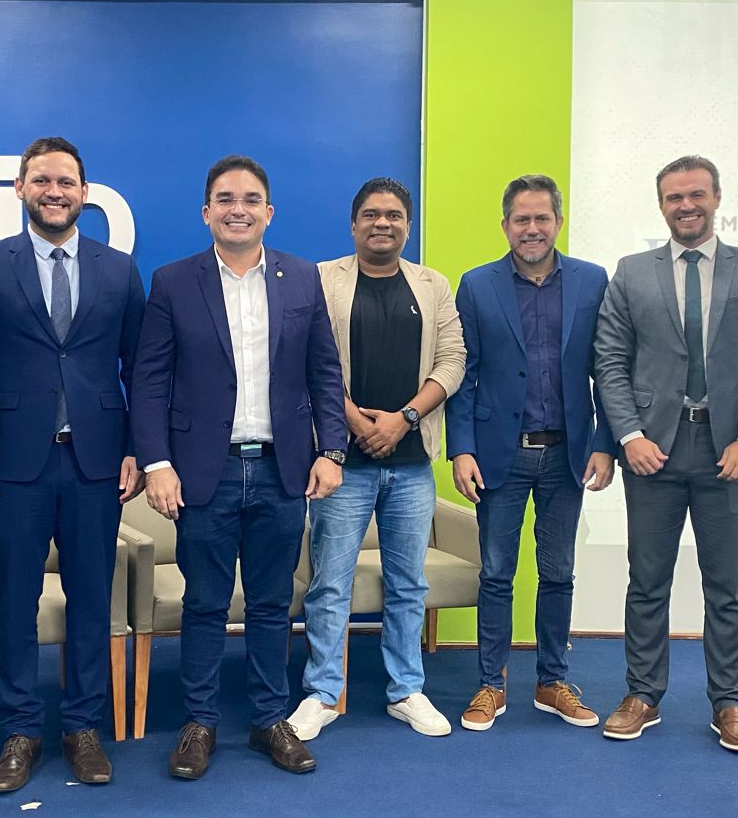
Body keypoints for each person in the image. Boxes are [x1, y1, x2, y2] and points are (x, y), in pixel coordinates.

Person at [131, 155, 346, 779]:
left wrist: (331, 450)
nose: (238, 209)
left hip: (282, 470)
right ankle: (199, 722)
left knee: (273, 603)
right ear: (207, 212)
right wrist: (157, 463)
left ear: (268, 212)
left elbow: (325, 373)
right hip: (206, 472)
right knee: (204, 601)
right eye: (225, 199)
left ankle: (269, 719)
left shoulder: (301, 278)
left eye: (251, 199)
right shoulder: (174, 281)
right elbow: (149, 381)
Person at [0, 136, 146, 791]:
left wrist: (136, 449)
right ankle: (20, 730)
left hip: (98, 462)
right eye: (42, 180)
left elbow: (140, 370)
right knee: (15, 600)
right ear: (20, 189)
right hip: (13, 465)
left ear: (84, 193)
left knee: (91, 599)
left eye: (66, 182)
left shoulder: (118, 269)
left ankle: (82, 727)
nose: (54, 192)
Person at [593, 155, 738, 754]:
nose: (686, 206)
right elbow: (609, 360)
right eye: (674, 197)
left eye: (696, 195)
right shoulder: (632, 273)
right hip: (652, 452)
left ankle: (729, 701)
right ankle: (642, 694)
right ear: (661, 205)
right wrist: (629, 436)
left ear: (716, 198)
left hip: (727, 452)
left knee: (726, 586)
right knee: (647, 581)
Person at [287, 177, 465, 741]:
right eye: (370, 214)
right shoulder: (323, 279)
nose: (381, 223)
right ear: (353, 223)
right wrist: (356, 421)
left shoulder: (432, 285)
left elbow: (453, 359)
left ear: (407, 225)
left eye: (393, 215)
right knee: (330, 585)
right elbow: (306, 359)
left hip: (411, 464)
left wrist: (403, 419)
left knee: (408, 584)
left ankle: (406, 690)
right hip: (341, 463)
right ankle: (322, 692)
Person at [444, 174, 617, 733]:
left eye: (542, 218)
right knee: (496, 573)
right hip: (500, 455)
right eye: (522, 219)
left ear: (558, 223)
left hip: (568, 456)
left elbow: (608, 370)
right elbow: (464, 374)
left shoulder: (592, 281)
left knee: (558, 572)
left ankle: (551, 681)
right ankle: (490, 685)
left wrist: (605, 444)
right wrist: (461, 449)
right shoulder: (477, 285)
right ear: (505, 226)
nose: (533, 228)